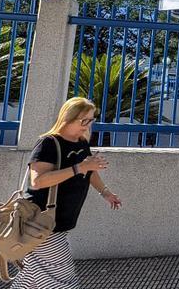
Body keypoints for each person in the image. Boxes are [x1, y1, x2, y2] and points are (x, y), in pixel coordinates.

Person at [12, 97, 122, 289]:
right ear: (68, 118)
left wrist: (105, 192)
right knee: (62, 280)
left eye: (91, 120)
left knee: (32, 278)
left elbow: (90, 170)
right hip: (42, 223)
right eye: (84, 120)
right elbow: (38, 181)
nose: (88, 125)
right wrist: (79, 168)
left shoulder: (81, 142)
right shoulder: (48, 143)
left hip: (58, 223)